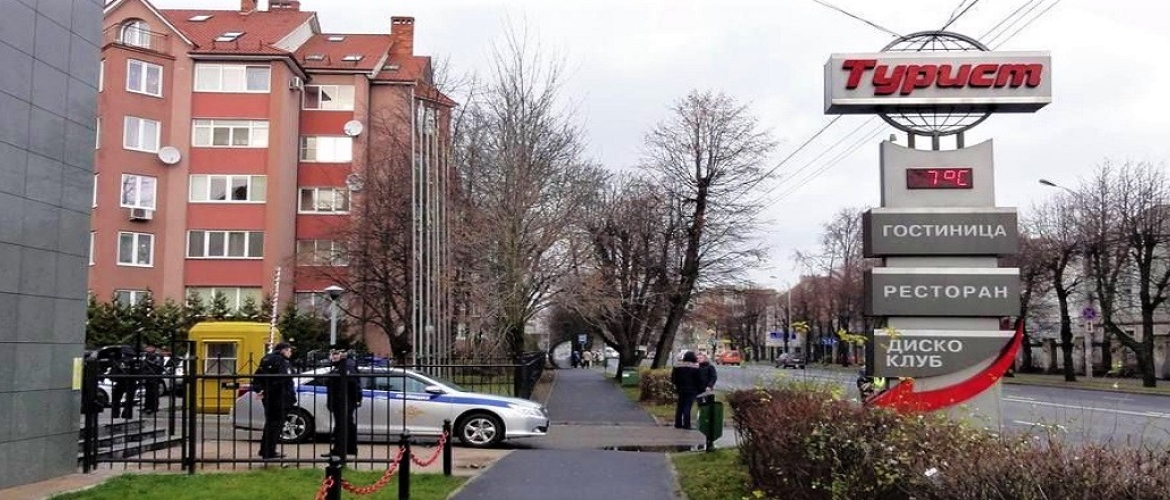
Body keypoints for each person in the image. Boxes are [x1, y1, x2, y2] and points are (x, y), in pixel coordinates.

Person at [254, 342, 295, 460]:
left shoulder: (266, 359)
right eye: (289, 350)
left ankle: (265, 450)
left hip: (268, 397)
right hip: (280, 396)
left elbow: (257, 376)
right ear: (283, 350)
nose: (290, 353)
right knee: (276, 425)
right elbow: (284, 378)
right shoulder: (282, 361)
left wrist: (261, 390)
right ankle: (269, 451)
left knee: (270, 423)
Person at [323, 348, 362, 457]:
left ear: (343, 354)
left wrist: (355, 399)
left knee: (342, 426)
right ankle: (348, 449)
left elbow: (352, 384)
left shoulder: (347, 365)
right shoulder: (339, 366)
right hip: (341, 401)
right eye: (332, 354)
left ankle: (340, 450)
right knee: (346, 424)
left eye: (336, 353)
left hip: (344, 401)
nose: (333, 356)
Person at [670, 351, 704, 429]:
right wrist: (700, 389)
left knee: (680, 406)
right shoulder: (696, 367)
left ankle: (678, 423)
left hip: (680, 389)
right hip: (692, 390)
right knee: (687, 406)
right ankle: (686, 424)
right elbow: (700, 380)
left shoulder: (678, 366)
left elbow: (673, 379)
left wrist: (677, 385)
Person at [109, 346, 139, 419]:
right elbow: (138, 373)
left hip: (121, 382)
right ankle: (127, 414)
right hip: (131, 382)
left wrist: (114, 378)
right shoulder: (135, 362)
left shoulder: (120, 362)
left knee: (116, 399)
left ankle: (115, 414)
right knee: (129, 400)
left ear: (123, 354)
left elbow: (113, 373)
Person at [140, 344, 164, 415]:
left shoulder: (157, 356)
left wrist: (147, 361)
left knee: (154, 393)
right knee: (148, 393)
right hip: (148, 377)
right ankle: (147, 407)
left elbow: (157, 366)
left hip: (154, 377)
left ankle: (154, 407)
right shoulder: (147, 356)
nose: (147, 350)